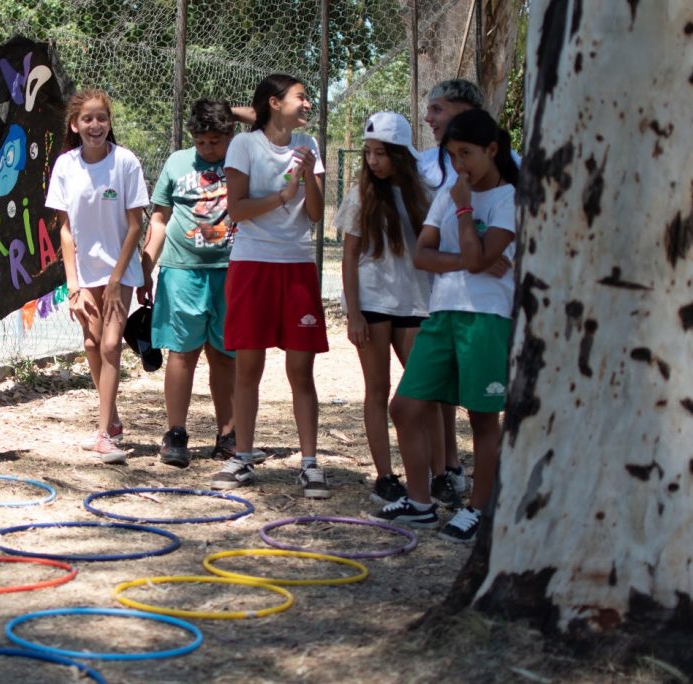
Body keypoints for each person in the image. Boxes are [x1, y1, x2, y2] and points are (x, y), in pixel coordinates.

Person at [370, 109, 518, 543]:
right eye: (452, 156)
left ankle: (478, 509)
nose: (460, 165)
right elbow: (424, 256)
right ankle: (419, 504)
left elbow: (478, 254)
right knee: (405, 407)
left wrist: (467, 210)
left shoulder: (508, 198)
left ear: (491, 150)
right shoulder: (450, 193)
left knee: (484, 420)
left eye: (467, 154)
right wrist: (471, 262)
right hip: (442, 313)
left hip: (487, 319)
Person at [208, 73, 329, 496]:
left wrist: (310, 176)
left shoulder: (308, 146)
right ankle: (242, 458)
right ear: (275, 104)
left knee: (301, 370)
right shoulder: (244, 145)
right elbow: (237, 211)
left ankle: (310, 463)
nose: (309, 104)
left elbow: (314, 215)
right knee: (249, 368)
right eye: (302, 97)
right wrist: (282, 195)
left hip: (296, 265)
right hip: (252, 264)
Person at [334, 112, 432, 504]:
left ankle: (429, 476)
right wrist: (353, 312)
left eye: (382, 153)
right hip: (372, 304)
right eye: (368, 153)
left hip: (416, 304)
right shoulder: (360, 195)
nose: (373, 161)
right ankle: (386, 476)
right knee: (377, 390)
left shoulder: (424, 191)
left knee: (420, 393)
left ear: (401, 155)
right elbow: (348, 256)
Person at [47, 89, 149, 464]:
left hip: (119, 271)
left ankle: (104, 434)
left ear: (109, 123)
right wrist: (73, 283)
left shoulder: (125, 163)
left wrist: (116, 279)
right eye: (87, 119)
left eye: (101, 118)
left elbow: (135, 226)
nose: (95, 125)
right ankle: (114, 419)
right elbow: (65, 229)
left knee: (109, 346)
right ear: (75, 125)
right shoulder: (65, 166)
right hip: (83, 273)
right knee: (91, 346)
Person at [141, 99, 238, 469]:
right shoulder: (178, 163)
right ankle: (176, 433)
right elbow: (161, 218)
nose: (208, 149)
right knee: (182, 353)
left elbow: (271, 122)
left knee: (225, 354)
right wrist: (147, 264)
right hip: (181, 270)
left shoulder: (242, 160)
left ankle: (227, 434)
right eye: (201, 142)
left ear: (231, 134)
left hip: (230, 270)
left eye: (216, 140)